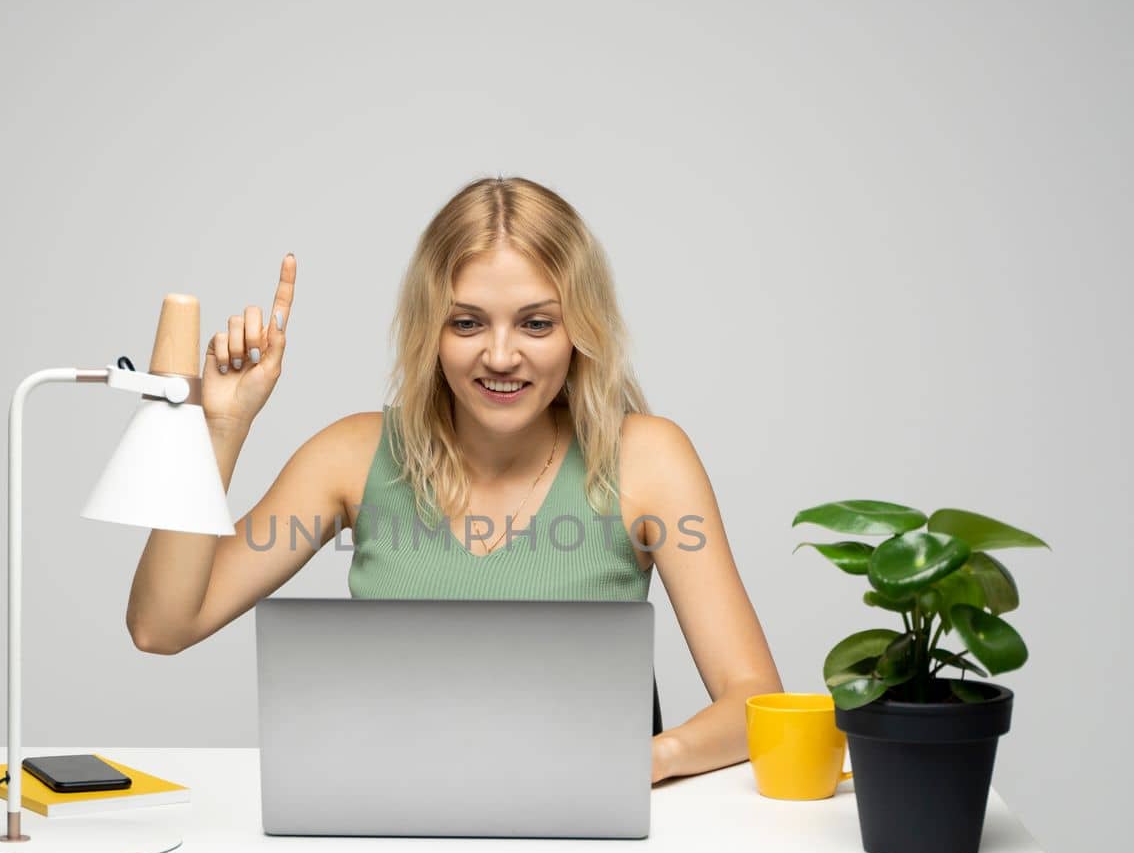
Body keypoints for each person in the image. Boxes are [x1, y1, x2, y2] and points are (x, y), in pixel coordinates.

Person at [126, 176, 782, 785]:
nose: (500, 355)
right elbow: (162, 627)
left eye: (536, 322)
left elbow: (755, 698)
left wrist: (648, 759)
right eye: (467, 322)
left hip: (585, 821)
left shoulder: (647, 458)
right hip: (396, 814)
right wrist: (218, 427)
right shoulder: (350, 456)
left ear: (580, 328)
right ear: (429, 330)